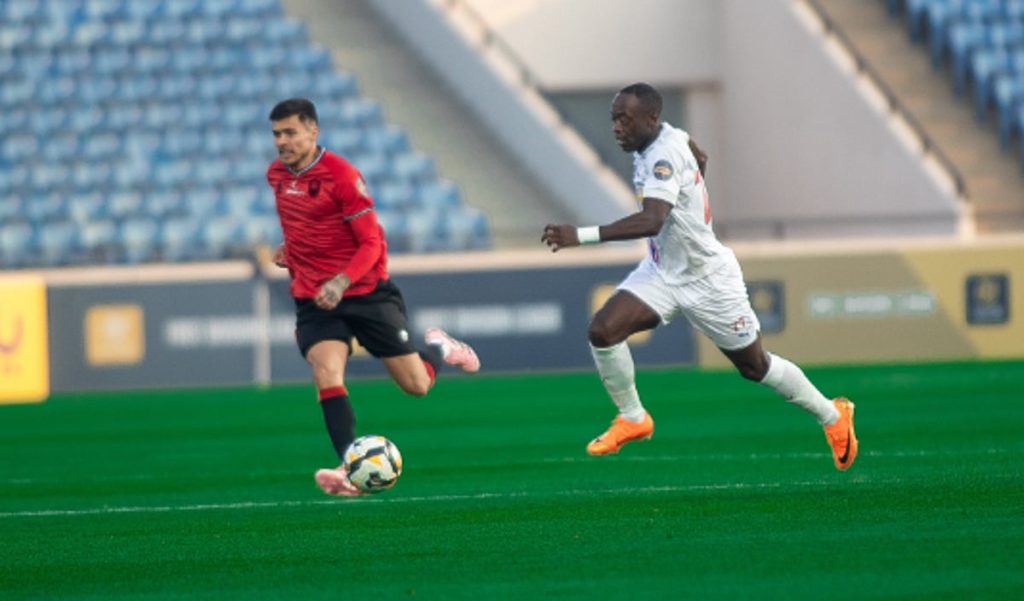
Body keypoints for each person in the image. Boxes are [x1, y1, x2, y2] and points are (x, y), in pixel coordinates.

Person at [541, 83, 857, 471]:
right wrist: (692, 185)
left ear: (650, 119)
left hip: (709, 279)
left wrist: (581, 236)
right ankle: (633, 418)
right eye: (614, 119)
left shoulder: (663, 155)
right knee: (603, 331)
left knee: (755, 367)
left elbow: (652, 219)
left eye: (624, 119)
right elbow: (699, 154)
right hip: (662, 271)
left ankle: (833, 416)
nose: (616, 127)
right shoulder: (666, 136)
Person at [266, 98, 481, 496]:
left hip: (365, 292)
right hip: (314, 298)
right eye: (277, 133)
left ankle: (440, 347)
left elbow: (370, 243)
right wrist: (289, 248)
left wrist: (341, 282)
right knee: (326, 373)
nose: (282, 141)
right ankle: (348, 468)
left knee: (416, 385)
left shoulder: (343, 176)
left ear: (313, 131)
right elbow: (306, 223)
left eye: (290, 132)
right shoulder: (276, 175)